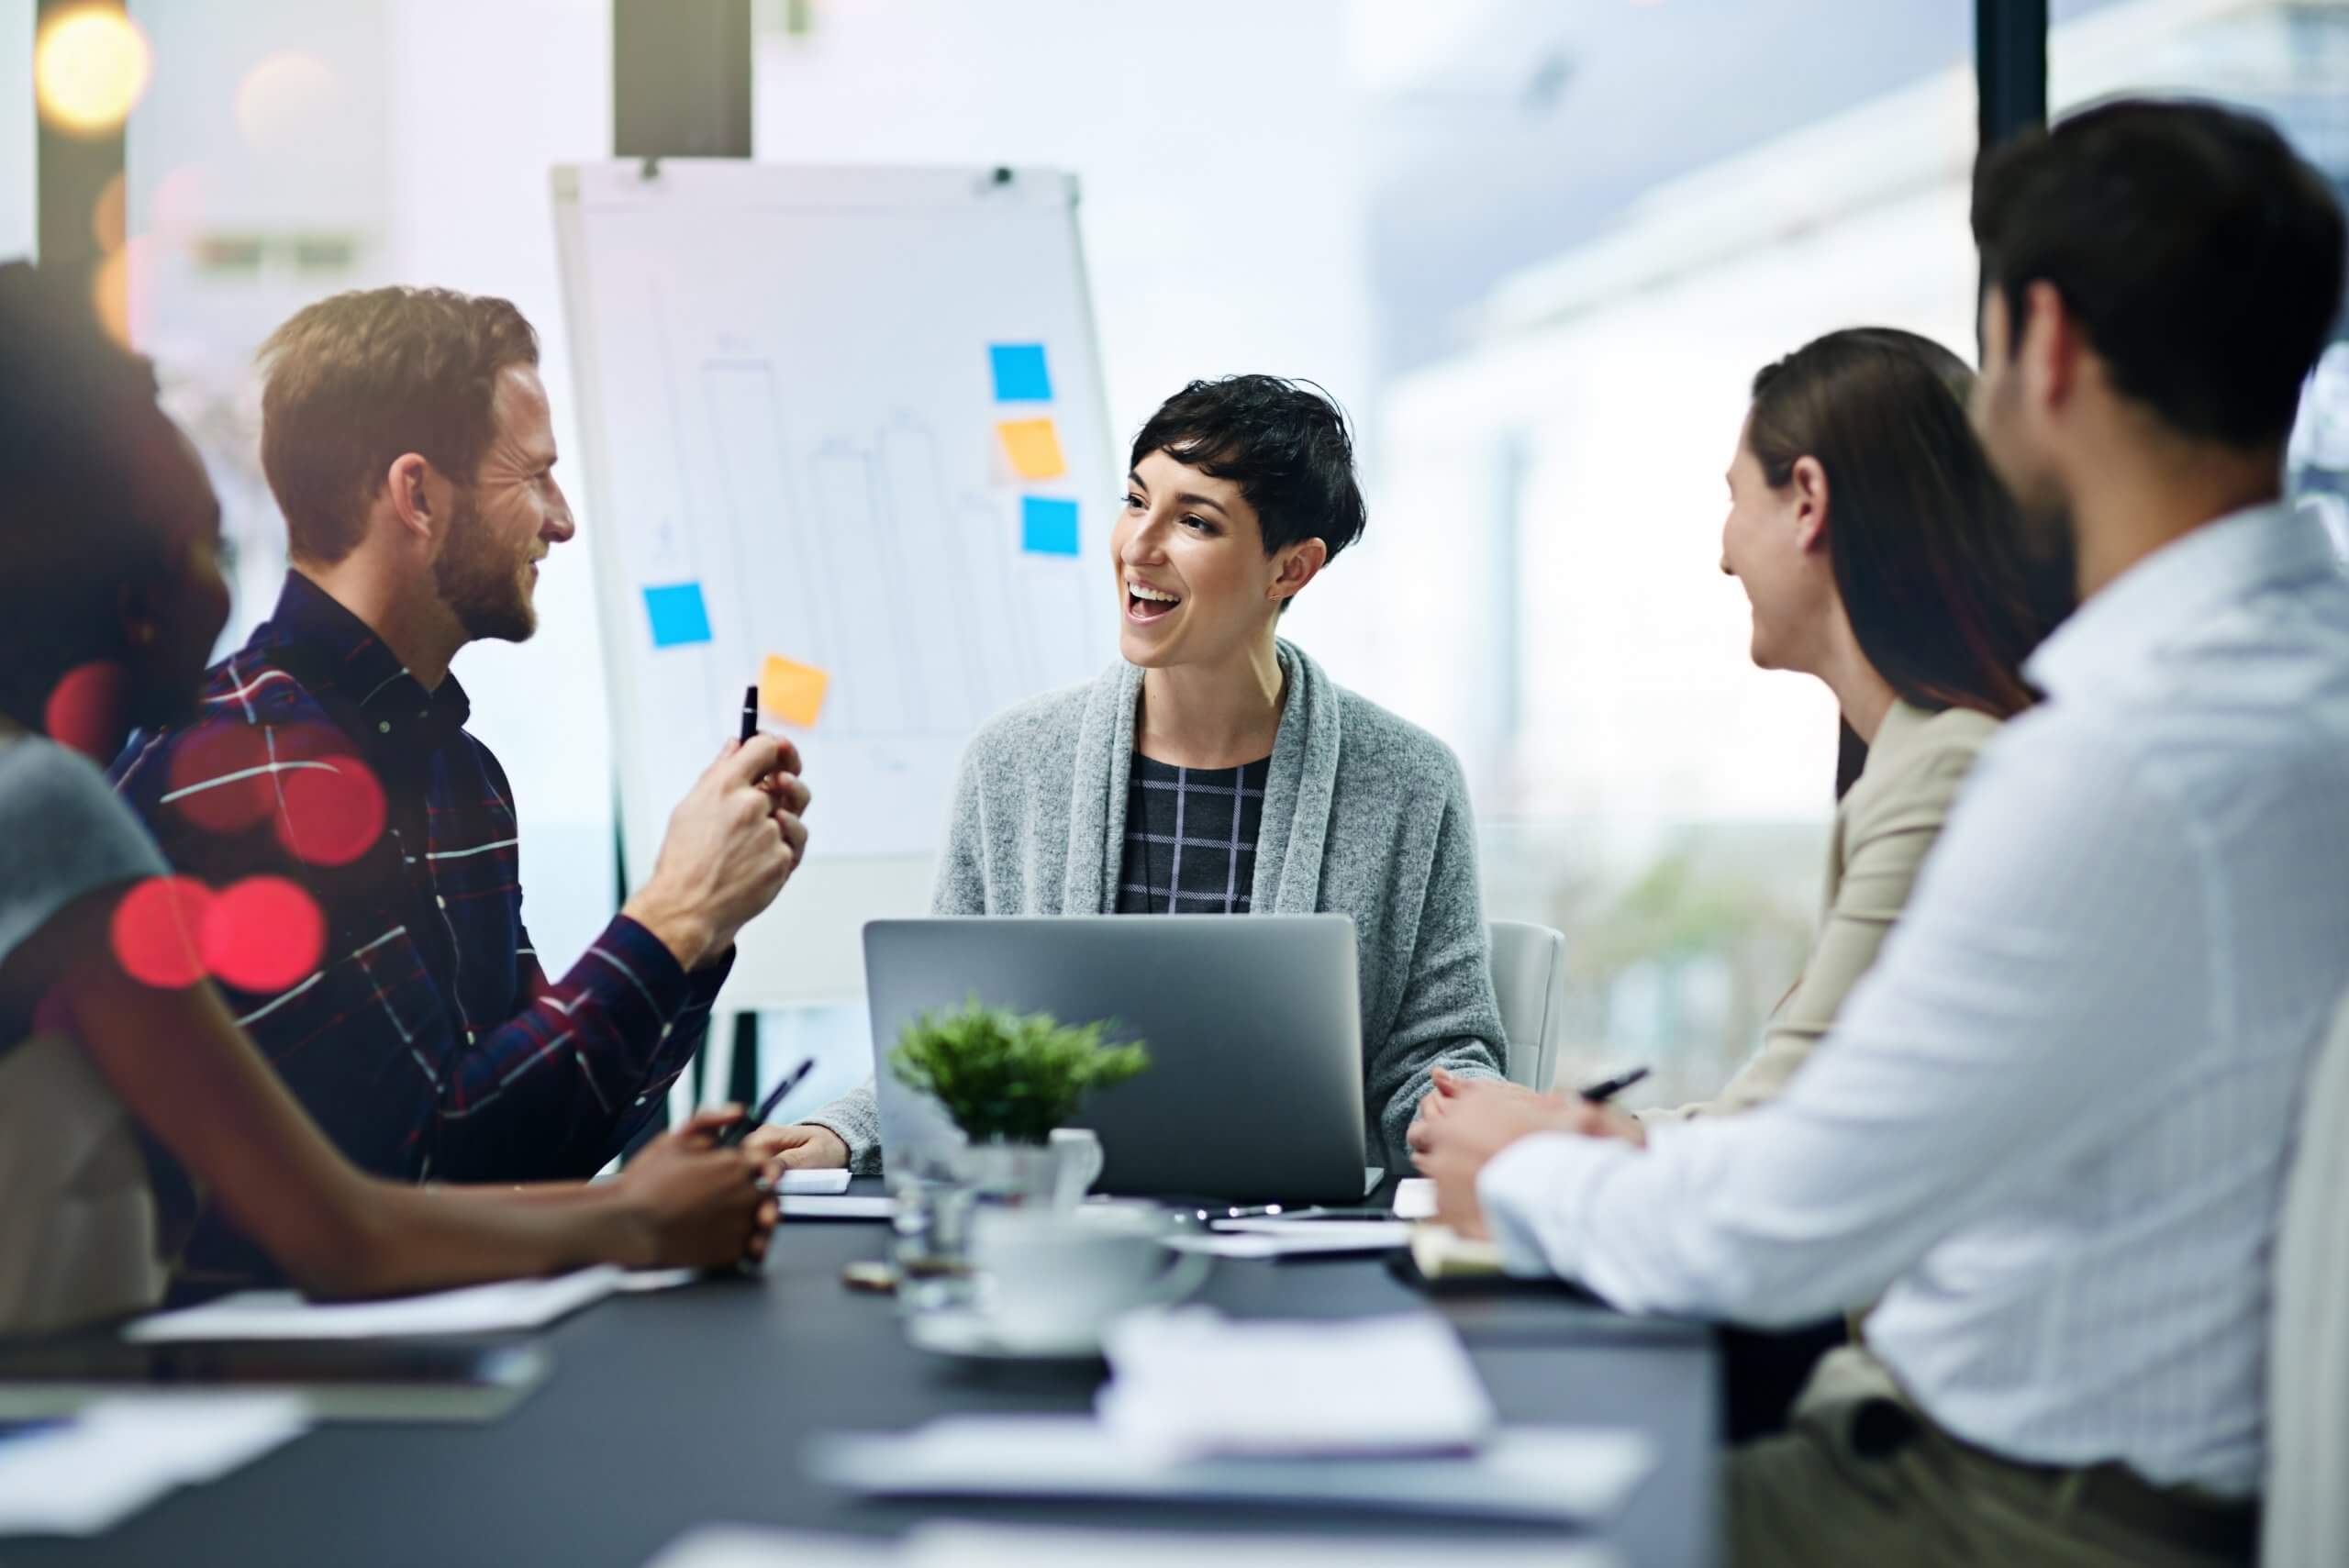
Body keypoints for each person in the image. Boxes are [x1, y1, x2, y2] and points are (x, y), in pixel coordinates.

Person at [1419, 99, 2349, 1567]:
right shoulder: (2298, 693)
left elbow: (1783, 1220)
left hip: (2002, 1513)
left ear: (2042, 346)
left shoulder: (2116, 766)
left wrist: (1529, 1170)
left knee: (1445, 1530)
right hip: (2146, 1486)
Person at [0, 261, 775, 1336]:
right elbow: (403, 1184)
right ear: (415, 494)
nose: (561, 523)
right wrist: (674, 916)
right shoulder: (244, 773)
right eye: (536, 477)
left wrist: (695, 933)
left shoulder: (461, 772)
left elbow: (531, 1129)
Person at [766, 374, 1506, 1174]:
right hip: (1053, 1220)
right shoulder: (1012, 763)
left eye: (1194, 520)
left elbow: (1438, 1049)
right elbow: (949, 1044)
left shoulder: (1407, 781)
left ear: (1290, 569)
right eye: (1134, 500)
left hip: (1296, 1233)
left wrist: (1463, 1123)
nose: (1139, 546)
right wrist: (847, 1132)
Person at [1417, 327, 2068, 1151]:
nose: (1724, 554)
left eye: (1735, 500)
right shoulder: (1929, 755)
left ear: (1807, 500)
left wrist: (1541, 1141)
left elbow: (1778, 1140)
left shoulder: (1942, 772)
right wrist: (1558, 1126)